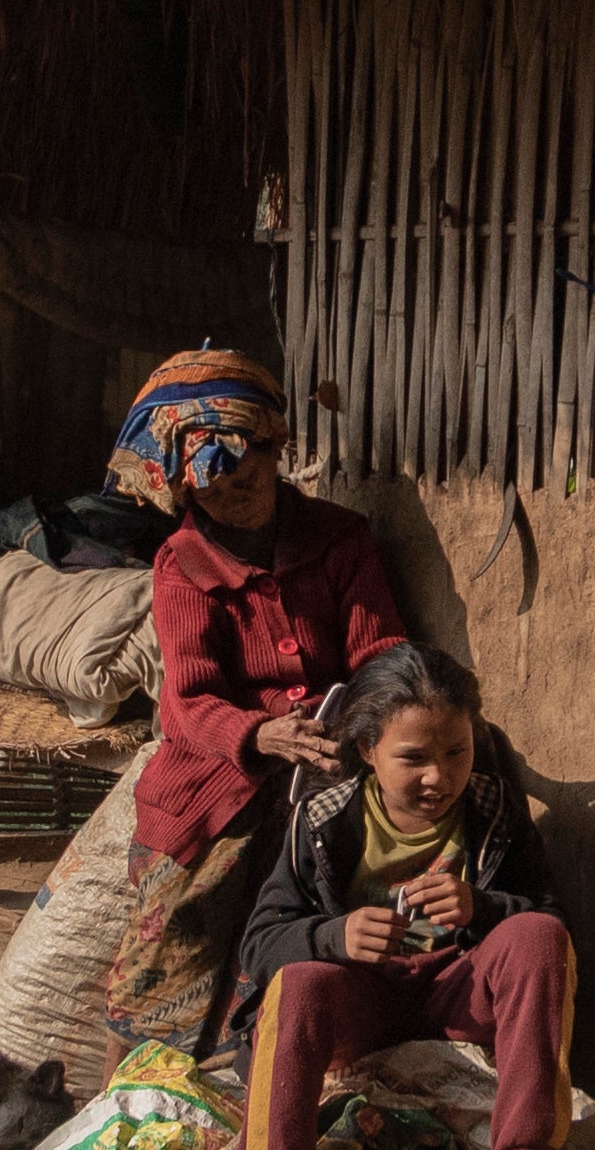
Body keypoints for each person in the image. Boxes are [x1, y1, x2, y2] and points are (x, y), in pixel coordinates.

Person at [213, 642, 595, 1150]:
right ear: (367, 749)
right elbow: (261, 943)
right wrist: (333, 937)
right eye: (414, 758)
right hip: (363, 1007)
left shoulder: (492, 811)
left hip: (457, 998)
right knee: (299, 982)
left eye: (456, 752)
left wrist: (482, 909)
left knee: (537, 937)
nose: (440, 776)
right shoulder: (324, 821)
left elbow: (553, 922)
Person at [93, 347, 403, 1057]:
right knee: (172, 948)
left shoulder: (339, 539)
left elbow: (381, 654)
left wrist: (355, 725)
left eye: (249, 471)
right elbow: (189, 700)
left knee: (311, 931)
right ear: (182, 491)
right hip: (215, 779)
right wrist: (262, 736)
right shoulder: (182, 563)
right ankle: (128, 1101)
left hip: (330, 761)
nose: (237, 493)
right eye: (213, 486)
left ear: (275, 447)